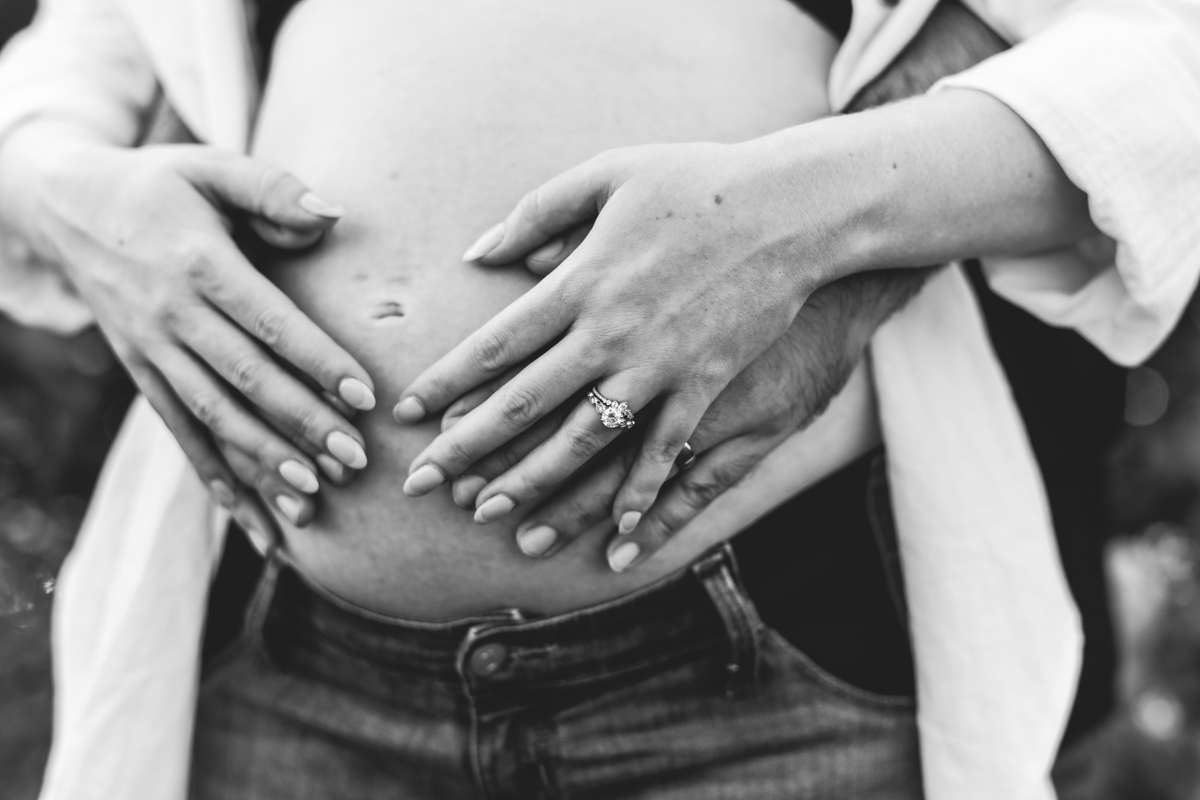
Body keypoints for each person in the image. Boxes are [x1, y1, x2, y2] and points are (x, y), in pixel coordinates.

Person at [0, 1, 1195, 799]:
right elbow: (72, 58)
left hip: (767, 663)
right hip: (284, 667)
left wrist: (813, 214)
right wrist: (73, 202)